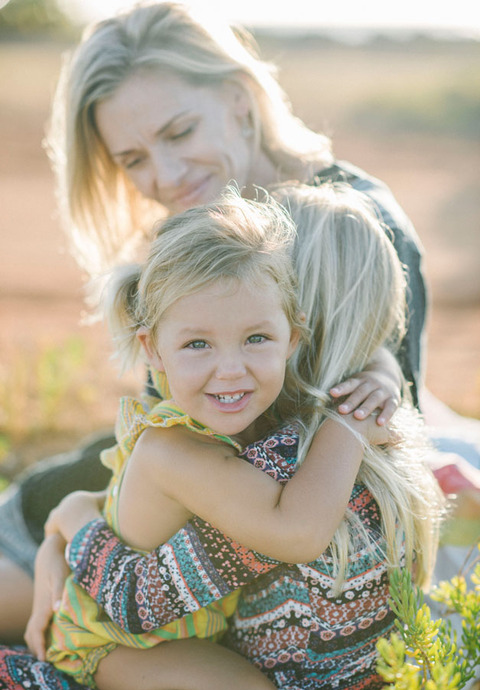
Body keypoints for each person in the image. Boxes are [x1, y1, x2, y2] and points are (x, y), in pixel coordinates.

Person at [0, 0, 416, 644]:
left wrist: (79, 530)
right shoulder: (191, 237)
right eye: (132, 159)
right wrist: (69, 519)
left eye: (179, 132)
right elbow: (166, 429)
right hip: (91, 512)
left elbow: (375, 413)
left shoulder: (346, 226)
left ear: (240, 100)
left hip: (146, 547)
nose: (162, 177)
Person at [3, 182, 445, 690]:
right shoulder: (207, 449)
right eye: (198, 344)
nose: (230, 368)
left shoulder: (237, 429)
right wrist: (347, 426)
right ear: (154, 350)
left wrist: (382, 369)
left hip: (160, 630)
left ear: (294, 336)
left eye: (256, 338)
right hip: (109, 637)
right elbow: (298, 532)